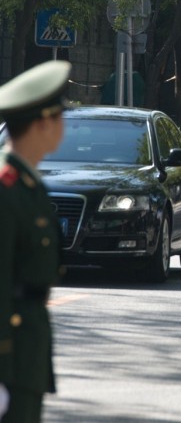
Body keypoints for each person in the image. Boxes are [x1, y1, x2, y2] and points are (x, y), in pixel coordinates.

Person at [0, 60, 71, 423]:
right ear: (43, 124)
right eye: (60, 118)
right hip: (9, 351)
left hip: (27, 345)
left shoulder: (29, 184)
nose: (64, 128)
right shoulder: (7, 187)